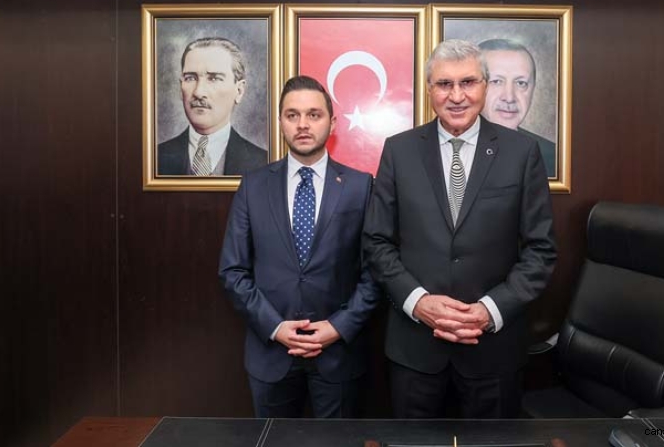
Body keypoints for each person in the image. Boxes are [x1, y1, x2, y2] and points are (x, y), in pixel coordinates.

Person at [362, 39, 556, 419]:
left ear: (484, 85)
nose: (456, 96)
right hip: (415, 350)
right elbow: (377, 241)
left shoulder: (521, 153)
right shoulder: (399, 151)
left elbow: (541, 251)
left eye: (467, 82)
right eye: (444, 84)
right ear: (429, 89)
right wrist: (418, 302)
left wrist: (489, 310)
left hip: (493, 351)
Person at [219, 75, 380, 418]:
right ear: (280, 122)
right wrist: (276, 328)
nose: (303, 124)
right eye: (292, 115)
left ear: (332, 123)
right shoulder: (253, 186)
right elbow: (233, 270)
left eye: (313, 115)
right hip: (270, 352)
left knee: (337, 443)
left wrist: (338, 327)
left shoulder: (360, 186)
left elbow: (375, 273)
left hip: (338, 354)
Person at [157, 37, 267, 176]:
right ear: (181, 87)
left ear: (239, 91)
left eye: (214, 78)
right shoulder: (154, 159)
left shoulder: (264, 163)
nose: (198, 92)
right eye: (190, 78)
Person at [479, 38, 556, 175]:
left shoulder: (553, 157)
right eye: (496, 81)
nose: (509, 98)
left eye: (521, 83)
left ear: (533, 89)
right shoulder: (448, 151)